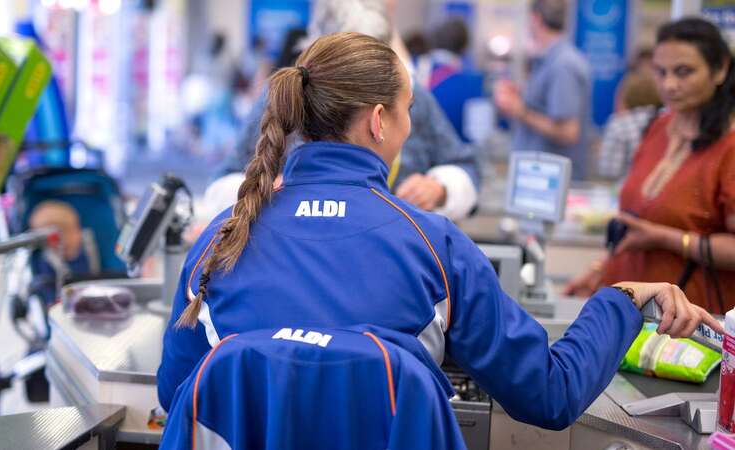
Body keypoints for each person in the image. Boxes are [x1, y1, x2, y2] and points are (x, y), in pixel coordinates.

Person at [157, 32, 719, 435]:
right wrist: (619, 300)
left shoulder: (221, 241)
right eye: (408, 110)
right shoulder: (432, 243)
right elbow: (549, 395)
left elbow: (176, 397)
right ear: (380, 121)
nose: (408, 123)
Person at [199, 0, 480, 225]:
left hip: (389, 248)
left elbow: (466, 165)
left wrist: (441, 188)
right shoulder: (281, 97)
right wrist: (262, 190)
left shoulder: (408, 96)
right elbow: (222, 182)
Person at [564, 18, 735, 314]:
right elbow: (635, 225)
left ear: (719, 69)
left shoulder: (729, 147)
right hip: (629, 310)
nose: (669, 84)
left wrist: (666, 238)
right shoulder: (657, 127)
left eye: (684, 72)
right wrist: (599, 271)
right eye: (661, 72)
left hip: (688, 323)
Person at [493, 0, 592, 180]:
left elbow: (568, 131)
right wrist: (521, 95)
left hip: (551, 183)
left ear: (536, 19)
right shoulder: (549, 60)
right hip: (540, 180)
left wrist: (518, 109)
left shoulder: (563, 64)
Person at [416, 17, 485, 144]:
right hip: (454, 159)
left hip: (414, 156)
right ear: (464, 47)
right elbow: (480, 135)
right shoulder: (473, 83)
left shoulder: (411, 69)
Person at [597, 71, 663, 179]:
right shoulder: (665, 121)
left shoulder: (619, 125)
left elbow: (608, 172)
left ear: (625, 95)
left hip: (623, 190)